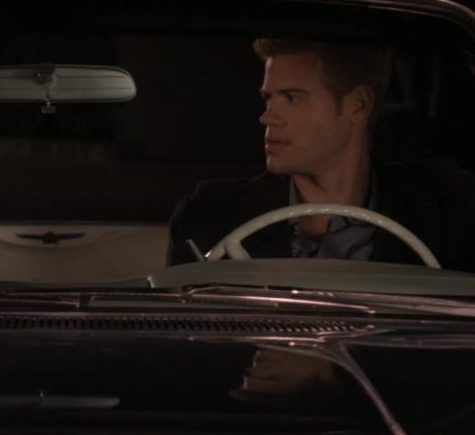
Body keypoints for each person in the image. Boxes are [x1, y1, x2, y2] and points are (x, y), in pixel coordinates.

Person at [167, 38, 475, 272]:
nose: (268, 117)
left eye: (292, 98)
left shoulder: (448, 214)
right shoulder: (210, 217)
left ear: (358, 105)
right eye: (268, 98)